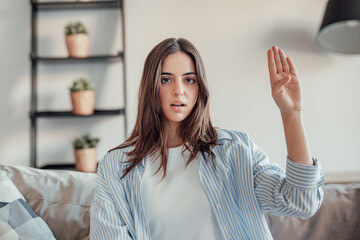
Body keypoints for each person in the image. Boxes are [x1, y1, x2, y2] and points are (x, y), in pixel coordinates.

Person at [90, 38, 325, 240]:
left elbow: (301, 203)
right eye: (166, 79)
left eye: (189, 80)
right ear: (150, 86)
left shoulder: (236, 150)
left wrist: (291, 114)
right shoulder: (115, 167)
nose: (179, 90)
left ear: (200, 87)